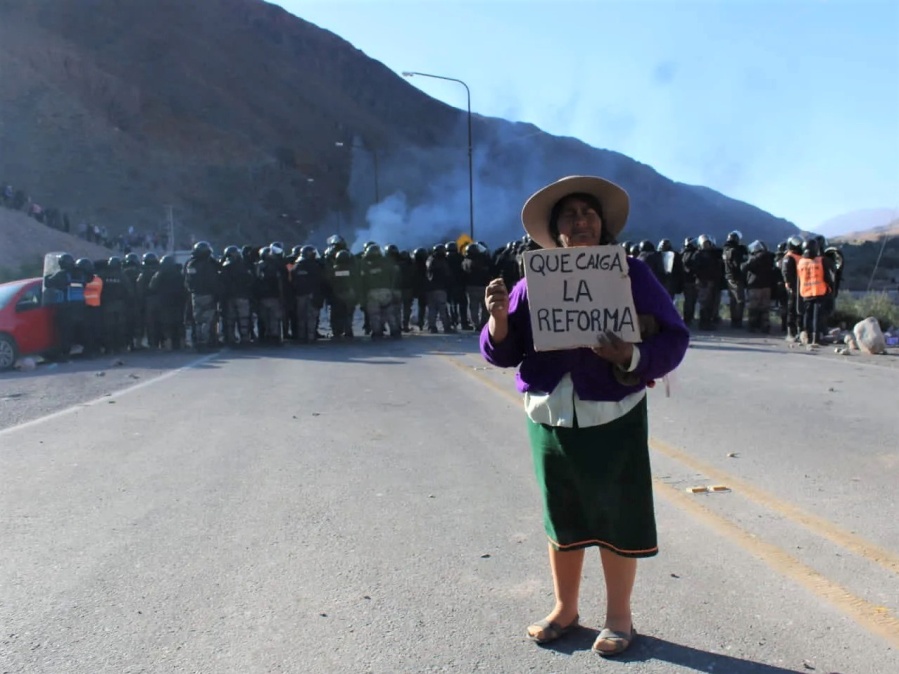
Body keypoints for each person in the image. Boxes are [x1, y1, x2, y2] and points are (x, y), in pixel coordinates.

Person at [479, 176, 689, 657]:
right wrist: (499, 320)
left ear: (602, 224)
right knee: (562, 513)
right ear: (556, 231)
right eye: (570, 215)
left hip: (613, 411)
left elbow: (674, 337)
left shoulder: (631, 274)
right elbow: (503, 352)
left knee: (617, 515)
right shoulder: (533, 281)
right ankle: (565, 609)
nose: (581, 220)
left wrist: (631, 356)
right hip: (549, 414)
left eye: (588, 213)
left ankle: (619, 618)